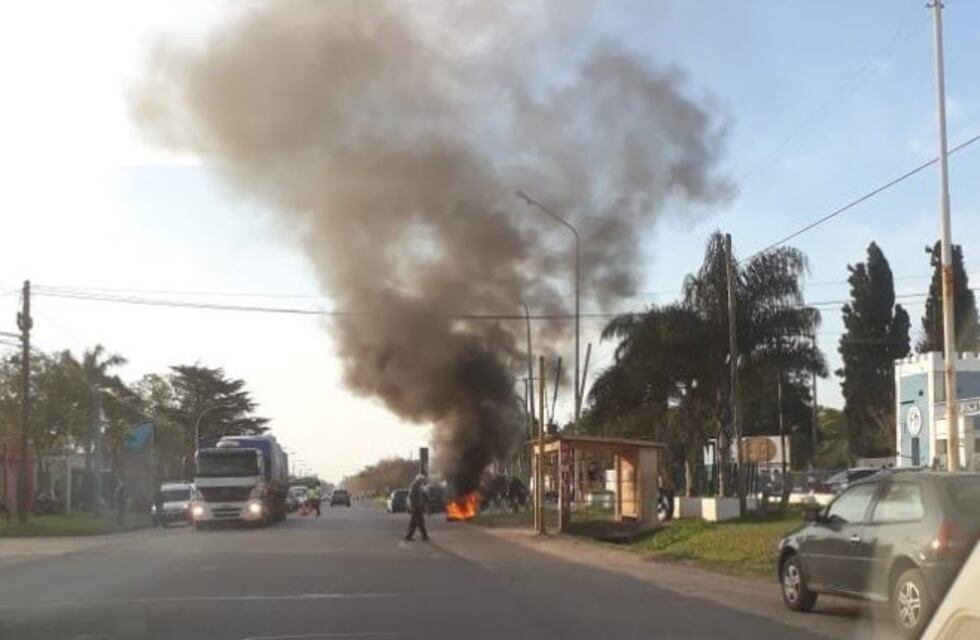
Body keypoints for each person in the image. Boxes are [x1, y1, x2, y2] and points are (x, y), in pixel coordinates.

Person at [405, 474, 429, 541]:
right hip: (416, 507)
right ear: (418, 480)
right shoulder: (414, 487)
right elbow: (413, 497)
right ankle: (424, 536)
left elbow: (423, 496)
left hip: (418, 507)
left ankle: (410, 536)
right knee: (418, 522)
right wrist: (413, 506)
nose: (423, 481)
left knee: (415, 522)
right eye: (422, 480)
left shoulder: (418, 486)